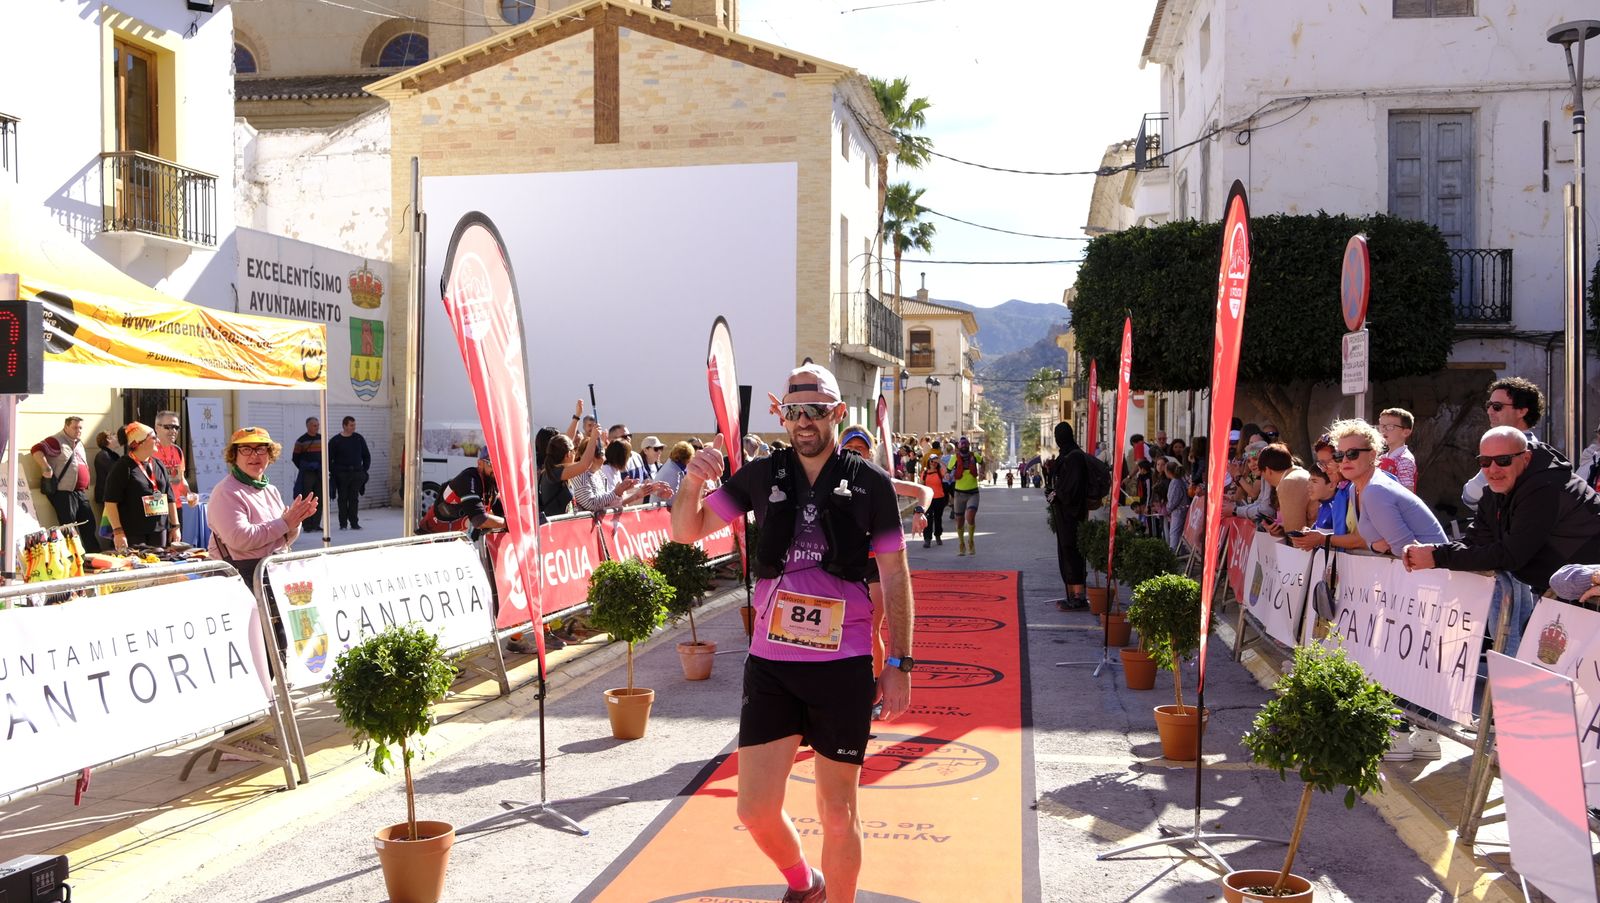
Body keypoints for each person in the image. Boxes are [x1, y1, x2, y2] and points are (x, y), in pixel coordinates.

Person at [670, 363, 912, 903]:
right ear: (783, 414)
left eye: (816, 410)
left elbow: (895, 576)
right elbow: (686, 531)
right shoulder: (762, 474)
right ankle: (805, 883)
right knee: (753, 807)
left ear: (837, 414)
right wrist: (692, 481)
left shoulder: (869, 482)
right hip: (773, 665)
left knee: (837, 810)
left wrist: (899, 662)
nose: (804, 421)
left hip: (843, 666)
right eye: (795, 410)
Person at [1403, 426, 1600, 652]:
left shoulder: (1545, 488)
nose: (1493, 469)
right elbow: (1477, 541)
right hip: (1562, 595)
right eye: (1485, 461)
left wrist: (1437, 557)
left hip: (1588, 597)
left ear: (1525, 458)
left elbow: (1511, 554)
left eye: (1503, 460)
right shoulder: (1494, 492)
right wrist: (1433, 551)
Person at [207, 427, 317, 589]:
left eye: (260, 449)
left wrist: (294, 523)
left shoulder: (269, 489)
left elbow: (282, 539)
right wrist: (285, 523)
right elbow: (240, 539)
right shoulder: (226, 492)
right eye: (245, 449)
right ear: (234, 456)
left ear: (269, 454)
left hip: (272, 574)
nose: (254, 455)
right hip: (241, 581)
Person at [1328, 419, 1445, 556]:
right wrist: (1374, 546)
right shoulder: (1354, 488)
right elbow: (1377, 543)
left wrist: (1381, 547)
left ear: (1372, 454)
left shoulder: (1376, 490)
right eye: (1339, 455)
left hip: (1434, 570)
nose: (1345, 460)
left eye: (1352, 453)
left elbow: (1406, 549)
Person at [102, 422, 180, 552]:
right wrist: (118, 531)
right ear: (140, 442)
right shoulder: (122, 467)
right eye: (154, 437)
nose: (158, 440)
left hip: (159, 530)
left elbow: (170, 498)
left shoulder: (158, 464)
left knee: (160, 567)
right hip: (134, 532)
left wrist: (175, 526)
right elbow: (110, 502)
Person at [31, 415, 100, 551]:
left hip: (80, 492)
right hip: (64, 493)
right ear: (66, 426)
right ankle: (72, 558)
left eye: (80, 427)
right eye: (75, 427)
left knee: (89, 524)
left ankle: (94, 555)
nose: (78, 430)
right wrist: (45, 467)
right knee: (69, 529)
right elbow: (36, 449)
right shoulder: (56, 440)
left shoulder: (79, 443)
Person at [1045, 422, 1089, 611]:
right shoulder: (1068, 455)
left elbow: (1072, 488)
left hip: (1073, 514)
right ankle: (1072, 595)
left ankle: (1078, 597)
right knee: (1066, 552)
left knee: (1072, 552)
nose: (1057, 439)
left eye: (1058, 435)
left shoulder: (1074, 457)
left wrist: (1056, 495)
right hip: (1065, 514)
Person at [151, 410, 196, 533]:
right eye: (168, 427)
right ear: (156, 428)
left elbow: (180, 479)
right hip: (156, 508)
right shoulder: (150, 450)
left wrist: (188, 494)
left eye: (176, 427)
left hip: (176, 506)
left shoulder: (178, 451)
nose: (173, 431)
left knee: (176, 548)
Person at [327, 416, 371, 531]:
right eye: (351, 425)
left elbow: (366, 455)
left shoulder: (358, 439)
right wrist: (334, 471)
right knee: (342, 499)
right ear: (344, 426)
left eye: (354, 425)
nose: (353, 427)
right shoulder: (335, 440)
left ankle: (354, 523)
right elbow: (328, 458)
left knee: (354, 499)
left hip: (356, 474)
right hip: (341, 475)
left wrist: (363, 470)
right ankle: (343, 524)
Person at [949, 436, 985, 556]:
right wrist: (947, 475)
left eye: (965, 444)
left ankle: (970, 541)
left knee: (970, 517)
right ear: (958, 446)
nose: (963, 446)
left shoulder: (974, 456)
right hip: (959, 493)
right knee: (959, 521)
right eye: (961, 444)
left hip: (973, 493)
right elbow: (948, 470)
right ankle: (961, 543)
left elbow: (982, 462)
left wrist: (982, 471)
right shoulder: (954, 458)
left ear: (969, 445)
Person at [291, 417, 324, 532]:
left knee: (319, 498)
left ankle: (316, 524)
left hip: (320, 473)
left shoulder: (322, 439)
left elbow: (327, 455)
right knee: (307, 499)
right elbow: (295, 458)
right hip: (308, 474)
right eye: (314, 425)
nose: (317, 427)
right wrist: (305, 467)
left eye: (318, 425)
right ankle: (307, 525)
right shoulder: (301, 440)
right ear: (308, 426)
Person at [1376, 407, 1419, 494]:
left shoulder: (1405, 460)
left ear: (1406, 432)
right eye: (1382, 426)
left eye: (1390, 426)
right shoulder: (1381, 458)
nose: (1383, 430)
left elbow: (1407, 495)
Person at [91, 429, 121, 527]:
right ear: (108, 439)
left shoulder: (113, 455)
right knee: (112, 526)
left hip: (112, 495)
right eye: (115, 437)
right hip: (106, 496)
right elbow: (115, 474)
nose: (118, 439)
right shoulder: (103, 455)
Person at [921, 452, 947, 548]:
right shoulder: (924, 473)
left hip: (939, 498)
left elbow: (947, 469)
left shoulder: (940, 472)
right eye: (932, 461)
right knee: (928, 519)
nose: (934, 463)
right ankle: (927, 539)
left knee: (938, 518)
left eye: (935, 462)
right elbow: (921, 486)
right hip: (928, 500)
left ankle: (938, 536)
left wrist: (940, 461)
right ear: (929, 462)